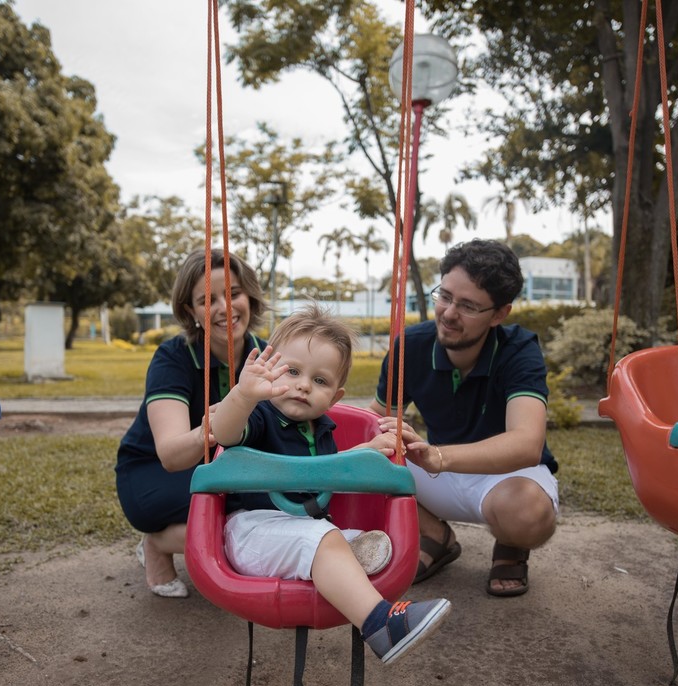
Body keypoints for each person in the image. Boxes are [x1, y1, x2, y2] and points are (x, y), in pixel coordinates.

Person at [209, 305, 451, 664]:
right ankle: (381, 625)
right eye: (292, 371)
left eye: (320, 381)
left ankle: (337, 565)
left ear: (335, 398)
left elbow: (323, 469)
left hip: (296, 530)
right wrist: (243, 395)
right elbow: (225, 433)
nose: (304, 385)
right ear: (270, 369)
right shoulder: (259, 416)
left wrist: (368, 451)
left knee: (369, 543)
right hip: (251, 532)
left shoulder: (321, 430)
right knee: (323, 538)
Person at [368, 239, 559, 597]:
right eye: (445, 296)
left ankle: (511, 544)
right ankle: (435, 536)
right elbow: (376, 419)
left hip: (508, 478)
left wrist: (438, 456)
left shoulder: (518, 350)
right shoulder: (411, 345)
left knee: (527, 515)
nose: (449, 313)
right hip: (438, 473)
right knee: (361, 456)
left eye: (468, 306)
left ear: (499, 314)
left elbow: (527, 444)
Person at [115, 248, 267, 598]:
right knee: (242, 508)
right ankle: (157, 542)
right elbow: (170, 455)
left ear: (250, 297)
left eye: (234, 294)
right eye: (207, 300)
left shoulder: (267, 355)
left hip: (226, 469)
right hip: (156, 471)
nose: (225, 308)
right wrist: (217, 423)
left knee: (265, 504)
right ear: (190, 311)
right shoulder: (173, 357)